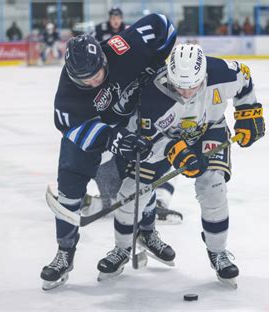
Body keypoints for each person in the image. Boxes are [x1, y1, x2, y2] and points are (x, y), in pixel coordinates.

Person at [98, 43, 265, 287]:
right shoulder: (152, 94)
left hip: (210, 131)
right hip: (160, 140)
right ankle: (122, 249)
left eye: (193, 86)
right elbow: (147, 140)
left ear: (204, 74)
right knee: (131, 194)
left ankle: (218, 252)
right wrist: (176, 152)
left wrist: (249, 113)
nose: (186, 93)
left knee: (213, 186)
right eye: (179, 87)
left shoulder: (222, 73)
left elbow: (245, 78)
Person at [40, 13, 177, 290]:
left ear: (103, 59)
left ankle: (147, 232)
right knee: (68, 197)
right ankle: (64, 254)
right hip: (84, 142)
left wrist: (156, 62)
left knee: (140, 183)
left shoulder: (121, 48)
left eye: (96, 76)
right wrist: (115, 139)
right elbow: (73, 129)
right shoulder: (67, 95)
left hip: (125, 127)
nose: (92, 83)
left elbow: (162, 23)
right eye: (85, 81)